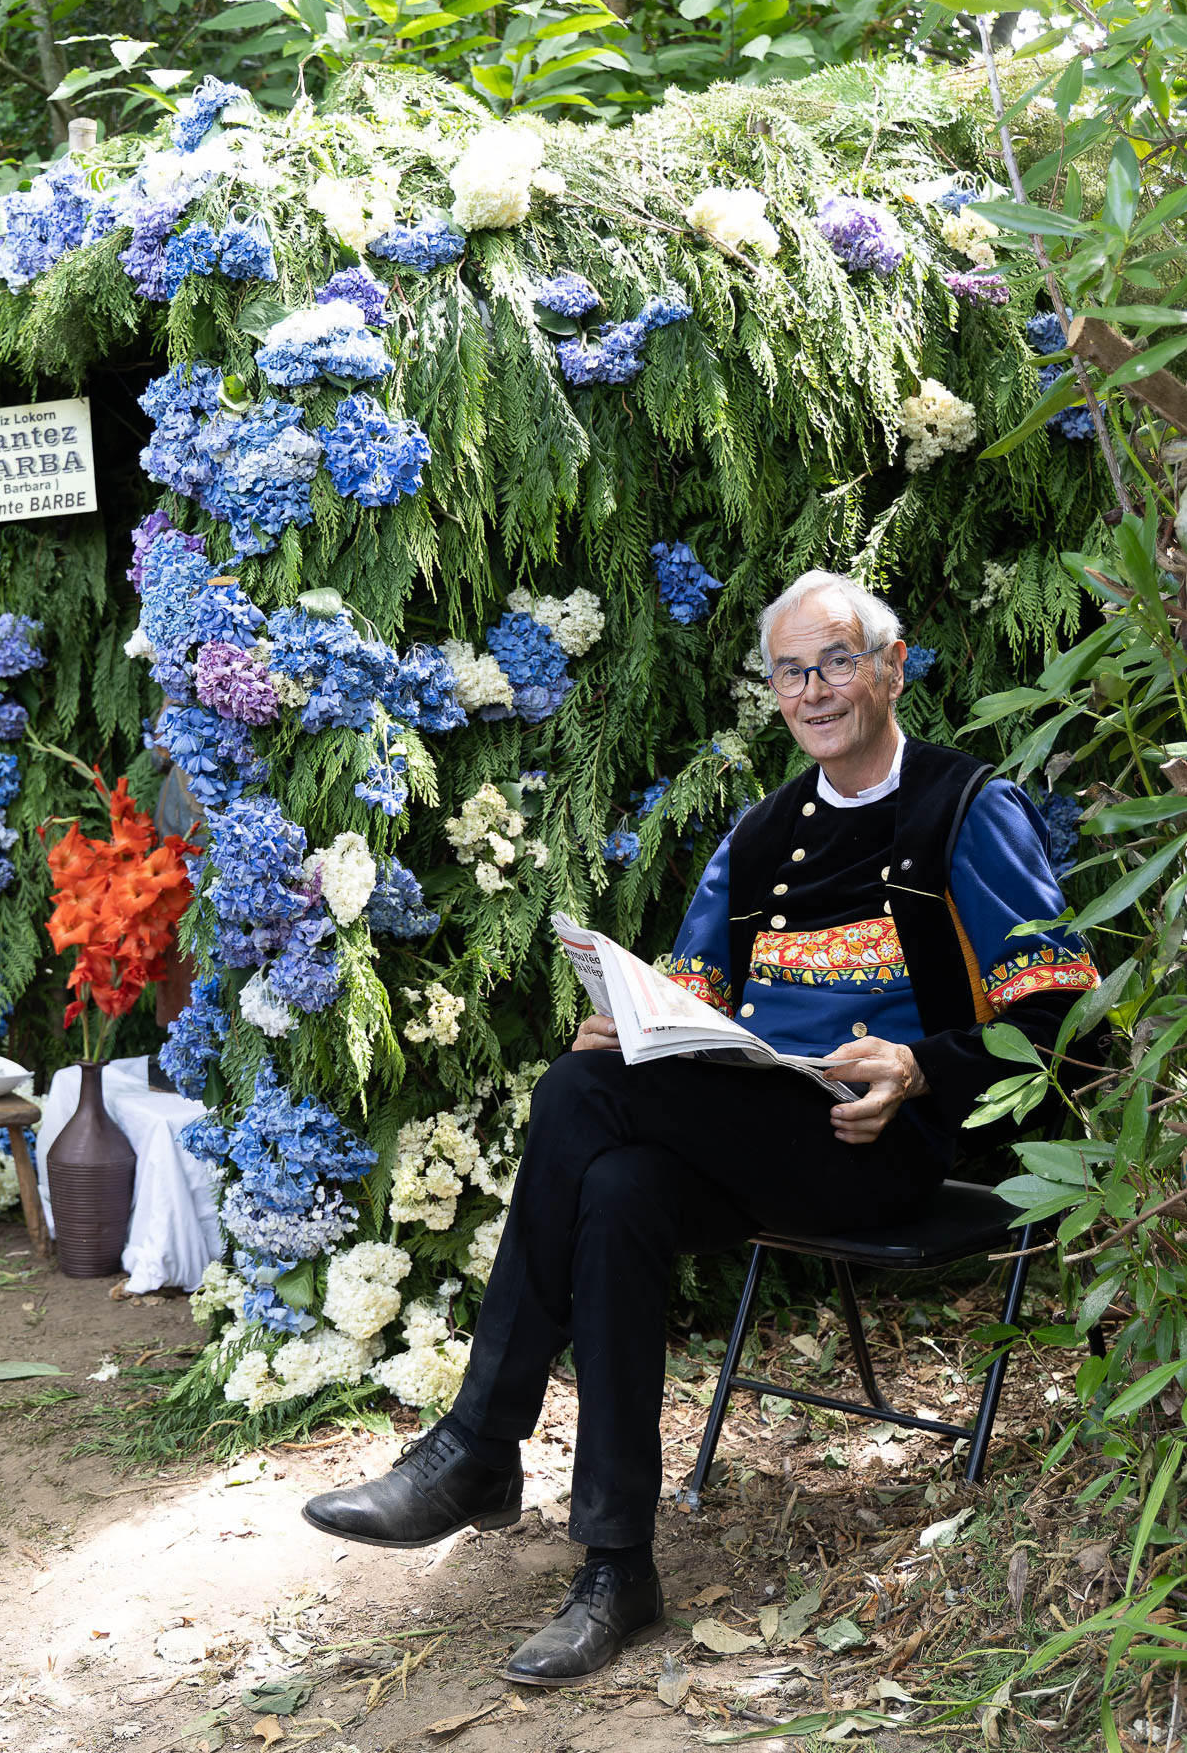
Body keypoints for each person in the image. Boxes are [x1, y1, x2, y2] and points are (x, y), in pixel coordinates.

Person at [303, 570, 1100, 1686]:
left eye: (834, 662)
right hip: (747, 1137)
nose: (811, 690)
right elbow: (695, 998)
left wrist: (921, 1067)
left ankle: (479, 1448)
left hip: (877, 1150)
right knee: (617, 1176)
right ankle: (615, 1569)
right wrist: (634, 1027)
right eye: (789, 671)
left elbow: (1066, 1014)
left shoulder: (965, 808)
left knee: (576, 1101)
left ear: (891, 665)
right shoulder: (759, 834)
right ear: (772, 689)